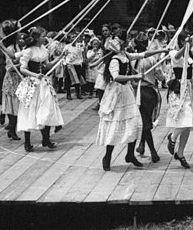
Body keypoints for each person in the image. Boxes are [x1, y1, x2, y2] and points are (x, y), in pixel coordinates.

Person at [96, 35, 145, 171]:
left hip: (126, 92)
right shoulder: (115, 59)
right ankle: (107, 156)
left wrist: (163, 50)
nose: (130, 41)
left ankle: (130, 154)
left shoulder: (125, 55)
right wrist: (134, 76)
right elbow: (116, 77)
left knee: (135, 122)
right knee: (115, 124)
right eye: (127, 39)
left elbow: (142, 55)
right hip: (116, 94)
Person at [16, 27, 64, 152]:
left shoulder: (45, 50)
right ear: (37, 38)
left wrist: (58, 59)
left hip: (43, 83)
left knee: (46, 108)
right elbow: (23, 68)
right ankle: (27, 142)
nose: (46, 38)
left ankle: (46, 139)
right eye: (43, 36)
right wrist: (35, 75)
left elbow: (47, 65)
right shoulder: (28, 51)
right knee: (30, 109)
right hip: (32, 83)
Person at [164, 30, 193, 169]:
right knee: (186, 117)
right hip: (178, 88)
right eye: (186, 40)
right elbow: (177, 56)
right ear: (181, 41)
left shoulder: (191, 52)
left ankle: (180, 153)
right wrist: (185, 47)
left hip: (189, 88)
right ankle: (172, 137)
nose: (190, 42)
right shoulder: (173, 52)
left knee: (189, 121)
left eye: (190, 40)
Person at [130, 34, 168, 163]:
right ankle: (153, 151)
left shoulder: (131, 59)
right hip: (148, 92)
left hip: (135, 92)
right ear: (147, 44)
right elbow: (160, 76)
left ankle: (141, 145)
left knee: (143, 120)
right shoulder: (152, 60)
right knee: (146, 122)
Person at [0, 21, 24, 140]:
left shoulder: (17, 46)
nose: (20, 34)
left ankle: (12, 130)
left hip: (18, 79)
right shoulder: (10, 48)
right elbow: (10, 67)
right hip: (12, 80)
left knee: (17, 107)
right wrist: (23, 65)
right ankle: (12, 130)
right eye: (18, 33)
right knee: (13, 107)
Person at [63, 34, 85, 100]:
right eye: (72, 37)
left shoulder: (79, 46)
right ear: (69, 39)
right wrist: (65, 63)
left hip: (77, 64)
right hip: (69, 65)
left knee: (77, 78)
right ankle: (68, 94)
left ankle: (78, 93)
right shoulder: (67, 47)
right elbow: (64, 55)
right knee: (68, 79)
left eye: (75, 37)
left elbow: (82, 54)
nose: (74, 38)